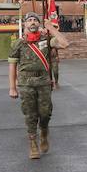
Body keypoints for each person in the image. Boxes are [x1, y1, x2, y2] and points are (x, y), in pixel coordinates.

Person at [8, 11, 69, 159]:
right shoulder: (18, 44)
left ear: (39, 23)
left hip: (43, 82)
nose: (33, 22)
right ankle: (33, 143)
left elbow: (65, 44)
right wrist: (12, 87)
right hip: (25, 83)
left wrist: (52, 28)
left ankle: (44, 132)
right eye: (29, 20)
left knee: (45, 113)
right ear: (25, 24)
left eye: (35, 20)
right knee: (30, 114)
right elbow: (12, 66)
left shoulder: (46, 40)